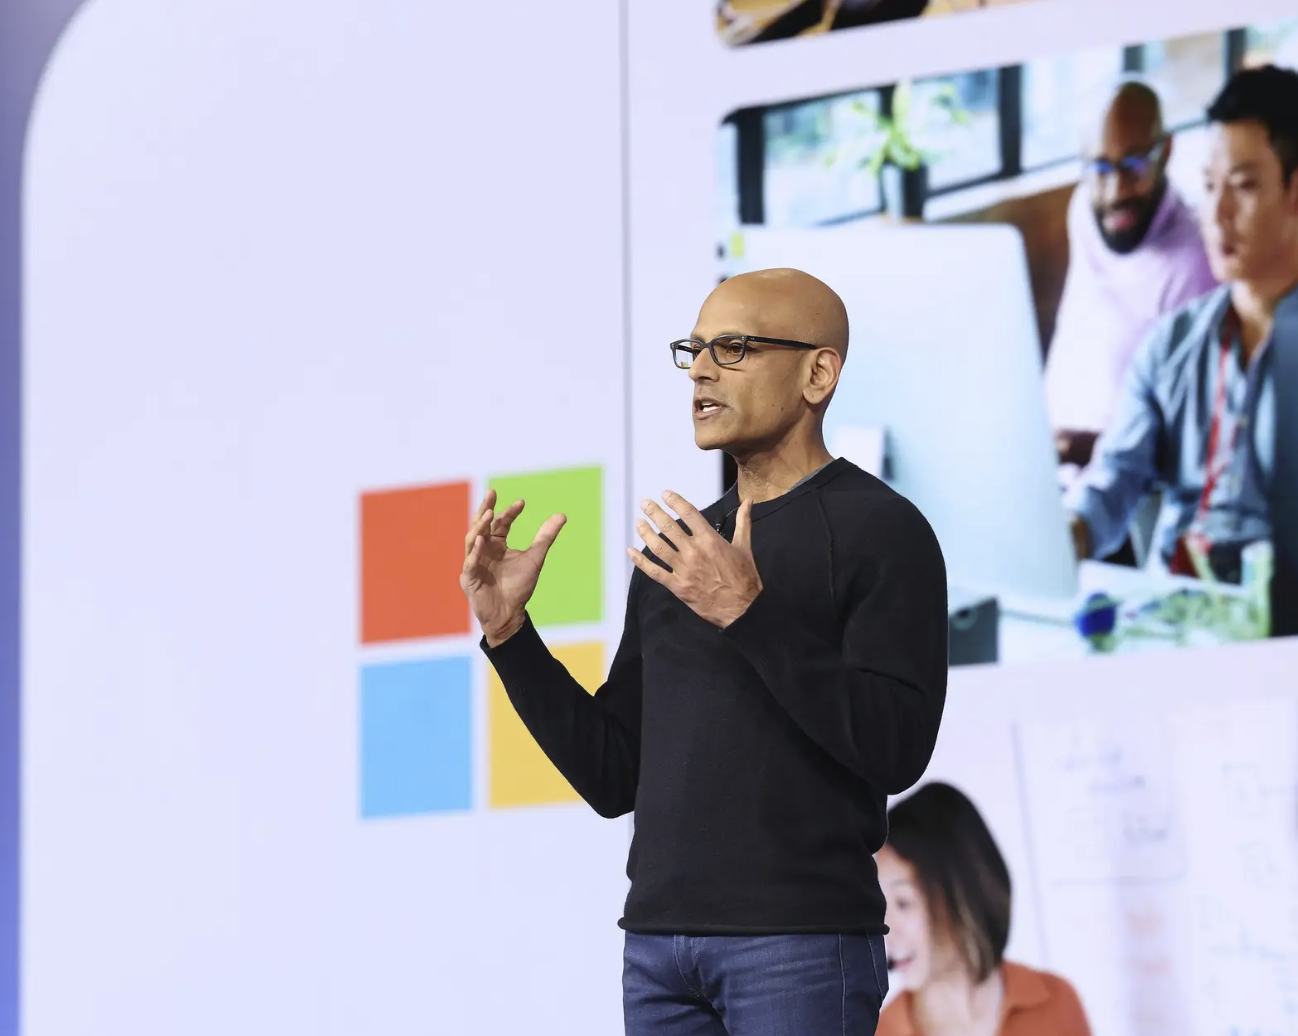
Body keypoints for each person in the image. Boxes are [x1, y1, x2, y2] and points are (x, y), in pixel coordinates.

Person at [459, 268, 950, 1034]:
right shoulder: (682, 550)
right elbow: (613, 775)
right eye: (694, 351)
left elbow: (897, 748)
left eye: (735, 347)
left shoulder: (882, 530)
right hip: (659, 953)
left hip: (799, 943)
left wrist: (749, 613)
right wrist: (509, 636)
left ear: (818, 374)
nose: (701, 372)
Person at [1067, 65, 1298, 581]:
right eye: (1210, 185)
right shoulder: (1171, 344)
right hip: (1170, 606)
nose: (1217, 214)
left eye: (1243, 187)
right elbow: (1113, 480)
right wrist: (1065, 534)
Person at [1042, 80, 1218, 470]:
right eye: (1100, 168)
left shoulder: (1195, 261)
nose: (1115, 191)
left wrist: (1080, 449)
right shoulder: (1083, 212)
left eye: (1134, 165)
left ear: (1166, 152)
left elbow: (1185, 443)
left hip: (1114, 477)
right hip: (1047, 454)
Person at [875, 783, 1092, 1036]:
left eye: (903, 903)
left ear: (961, 893)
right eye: (880, 907)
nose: (886, 932)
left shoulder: (1056, 1003)